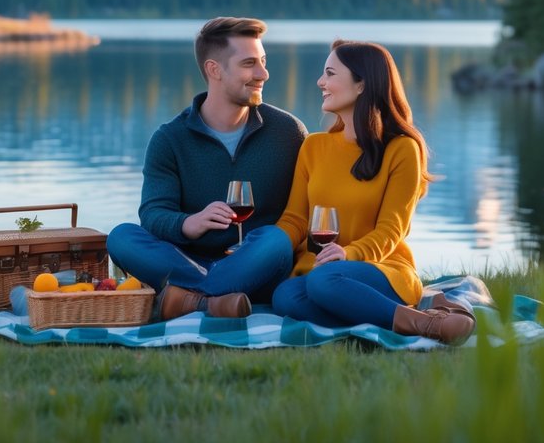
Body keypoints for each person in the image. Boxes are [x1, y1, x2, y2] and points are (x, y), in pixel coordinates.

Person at [271, 39, 476, 343]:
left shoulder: (402, 149)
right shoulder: (313, 147)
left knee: (324, 283)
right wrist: (261, 250)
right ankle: (409, 312)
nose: (320, 82)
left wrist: (348, 253)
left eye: (330, 74)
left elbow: (392, 230)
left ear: (361, 85)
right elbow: (295, 219)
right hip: (318, 270)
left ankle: (421, 324)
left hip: (381, 269)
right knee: (285, 298)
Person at [107, 17, 307, 320]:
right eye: (249, 63)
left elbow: (305, 211)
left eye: (263, 62)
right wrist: (191, 223)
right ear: (214, 70)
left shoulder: (288, 132)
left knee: (276, 240)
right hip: (187, 261)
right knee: (121, 236)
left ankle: (188, 299)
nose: (263, 73)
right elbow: (152, 214)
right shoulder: (169, 139)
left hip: (258, 267)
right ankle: (211, 300)